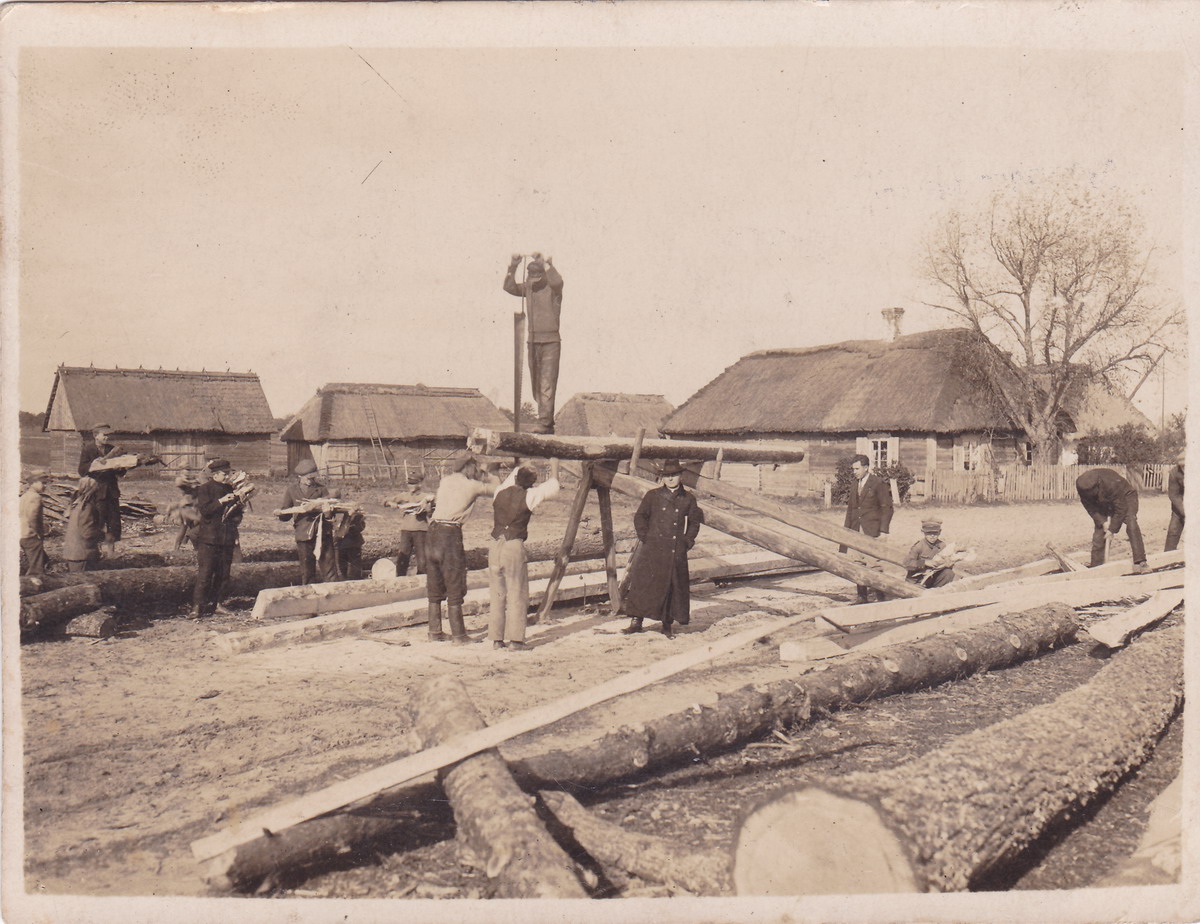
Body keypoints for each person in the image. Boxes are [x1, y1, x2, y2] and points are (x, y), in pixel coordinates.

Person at [620, 459, 704, 639]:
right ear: (662, 478)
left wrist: (687, 542)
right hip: (652, 549)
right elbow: (640, 517)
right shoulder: (653, 496)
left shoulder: (688, 498)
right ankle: (636, 622)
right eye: (667, 476)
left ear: (681, 476)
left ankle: (667, 625)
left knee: (671, 587)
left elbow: (694, 523)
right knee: (643, 584)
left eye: (674, 475)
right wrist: (646, 537)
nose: (671, 479)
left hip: (674, 550)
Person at [426, 455, 500, 643]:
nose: (475, 471)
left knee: (435, 582)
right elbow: (497, 490)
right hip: (449, 534)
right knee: (455, 582)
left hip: (432, 532)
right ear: (468, 467)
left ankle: (434, 632)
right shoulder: (472, 485)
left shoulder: (445, 481)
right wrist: (490, 473)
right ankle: (459, 635)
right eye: (474, 467)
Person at [488, 461, 561, 651]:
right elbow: (553, 486)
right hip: (513, 545)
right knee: (517, 592)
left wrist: (520, 464)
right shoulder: (530, 495)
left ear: (515, 477)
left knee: (497, 593)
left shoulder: (499, 491)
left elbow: (509, 480)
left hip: (494, 545)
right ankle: (516, 641)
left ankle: (497, 640)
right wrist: (554, 464)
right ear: (532, 482)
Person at [504, 252, 564, 434]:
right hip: (533, 341)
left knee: (546, 384)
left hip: (550, 342)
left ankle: (545, 423)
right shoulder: (529, 288)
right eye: (529, 276)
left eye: (534, 276)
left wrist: (545, 263)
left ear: (542, 275)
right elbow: (509, 287)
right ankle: (546, 421)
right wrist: (513, 265)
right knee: (536, 385)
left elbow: (557, 282)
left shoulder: (553, 288)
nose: (531, 279)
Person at [190, 458, 243, 618]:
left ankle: (218, 604)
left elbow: (237, 514)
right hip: (209, 539)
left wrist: (237, 515)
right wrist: (221, 501)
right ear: (215, 474)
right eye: (224, 474)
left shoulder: (230, 489)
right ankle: (197, 606)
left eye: (228, 474)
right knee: (205, 574)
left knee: (223, 574)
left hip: (226, 538)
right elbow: (205, 510)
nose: (227, 477)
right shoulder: (204, 489)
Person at [277, 459, 339, 585]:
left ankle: (333, 592)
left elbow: (331, 514)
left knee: (329, 570)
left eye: (313, 478)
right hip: (303, 534)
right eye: (308, 478)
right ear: (300, 477)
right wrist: (282, 513)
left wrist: (327, 512)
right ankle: (308, 594)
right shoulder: (292, 490)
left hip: (322, 534)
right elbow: (285, 514)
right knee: (307, 571)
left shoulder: (321, 489)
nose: (311, 481)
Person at [1076, 467, 1149, 572]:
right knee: (1099, 533)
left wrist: (1112, 530)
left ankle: (1140, 561)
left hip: (1126, 497)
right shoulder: (1082, 486)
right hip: (1103, 503)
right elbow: (1090, 508)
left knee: (1131, 522)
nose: (1088, 494)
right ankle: (1096, 567)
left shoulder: (1111, 483)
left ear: (1097, 485)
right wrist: (1102, 522)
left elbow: (1121, 509)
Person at [843, 454, 894, 603]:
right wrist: (846, 532)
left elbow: (887, 508)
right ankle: (862, 596)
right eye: (853, 469)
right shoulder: (855, 483)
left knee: (873, 564)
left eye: (857, 469)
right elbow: (851, 509)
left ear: (866, 468)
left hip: (872, 530)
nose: (854, 472)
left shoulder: (878, 483)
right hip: (856, 529)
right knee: (857, 563)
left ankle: (881, 596)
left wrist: (883, 531)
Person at [77, 424, 125, 558]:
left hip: (111, 492)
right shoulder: (88, 449)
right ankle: (95, 552)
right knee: (97, 522)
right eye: (104, 435)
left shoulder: (112, 450)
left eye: (108, 435)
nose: (107, 437)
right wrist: (94, 464)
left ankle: (111, 553)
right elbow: (81, 470)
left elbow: (121, 472)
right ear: (95, 436)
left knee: (113, 523)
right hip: (96, 492)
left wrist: (120, 468)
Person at [385, 470, 433, 576]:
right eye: (409, 484)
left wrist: (428, 509)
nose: (410, 486)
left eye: (413, 483)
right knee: (403, 557)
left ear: (420, 484)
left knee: (422, 559)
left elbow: (431, 514)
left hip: (421, 530)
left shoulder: (426, 497)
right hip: (406, 530)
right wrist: (390, 503)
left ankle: (422, 579)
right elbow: (385, 501)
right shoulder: (404, 496)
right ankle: (400, 579)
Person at [62, 476, 104, 572]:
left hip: (75, 554)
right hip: (82, 554)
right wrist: (102, 534)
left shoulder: (77, 504)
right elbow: (87, 532)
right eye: (96, 490)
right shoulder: (87, 507)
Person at [903, 517, 958, 588]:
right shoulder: (918, 546)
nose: (932, 536)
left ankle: (936, 591)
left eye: (935, 533)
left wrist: (948, 564)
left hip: (932, 579)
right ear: (923, 532)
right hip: (916, 581)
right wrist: (924, 562)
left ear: (940, 532)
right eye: (929, 533)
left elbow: (946, 562)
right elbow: (907, 563)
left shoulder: (942, 545)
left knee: (948, 573)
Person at [20, 472, 50, 576]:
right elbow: (32, 517)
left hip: (22, 534)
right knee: (37, 568)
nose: (45, 486)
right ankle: (31, 584)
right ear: (33, 483)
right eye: (43, 483)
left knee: (35, 562)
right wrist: (38, 532)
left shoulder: (24, 496)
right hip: (31, 535)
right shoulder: (36, 497)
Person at [334, 506, 367, 580]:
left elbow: (361, 527)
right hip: (340, 543)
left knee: (355, 566)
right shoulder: (337, 512)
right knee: (341, 566)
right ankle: (343, 580)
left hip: (353, 543)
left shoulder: (356, 513)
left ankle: (355, 579)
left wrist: (352, 518)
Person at [1165, 452, 1185, 552]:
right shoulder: (1174, 473)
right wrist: (1184, 511)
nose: (1184, 468)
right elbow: (1174, 495)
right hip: (1180, 503)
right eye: (1182, 466)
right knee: (1173, 530)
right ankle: (1168, 556)